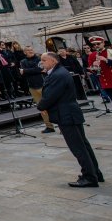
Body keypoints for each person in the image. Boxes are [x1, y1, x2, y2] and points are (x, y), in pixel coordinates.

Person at [37, 52, 104, 187]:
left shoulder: (57, 75)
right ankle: (95, 172)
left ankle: (90, 177)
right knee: (83, 145)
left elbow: (50, 95)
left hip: (66, 114)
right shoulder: (59, 72)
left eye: (44, 60)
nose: (41, 63)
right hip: (69, 113)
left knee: (78, 147)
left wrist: (41, 106)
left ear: (53, 61)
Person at [19, 46, 56, 133]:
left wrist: (26, 71)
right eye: (28, 50)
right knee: (41, 107)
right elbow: (23, 73)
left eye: (31, 49)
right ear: (25, 52)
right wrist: (31, 71)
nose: (31, 51)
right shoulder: (22, 61)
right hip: (32, 87)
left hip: (43, 85)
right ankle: (49, 126)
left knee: (52, 105)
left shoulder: (39, 59)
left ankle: (62, 124)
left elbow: (40, 68)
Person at [87, 36, 112, 127]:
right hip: (107, 84)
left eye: (98, 44)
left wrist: (106, 60)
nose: (96, 46)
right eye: (94, 45)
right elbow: (92, 70)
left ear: (103, 43)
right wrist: (94, 66)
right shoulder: (92, 55)